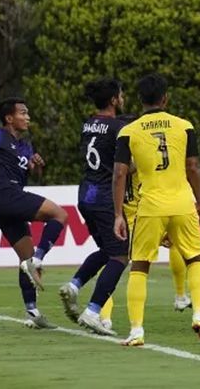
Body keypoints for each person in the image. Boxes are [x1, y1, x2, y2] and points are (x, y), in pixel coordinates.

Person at [112, 73, 200, 346]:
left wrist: (118, 214)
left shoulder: (128, 131)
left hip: (150, 206)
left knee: (140, 267)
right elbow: (193, 167)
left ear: (139, 100)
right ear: (165, 98)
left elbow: (120, 174)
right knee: (194, 260)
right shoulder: (184, 126)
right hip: (182, 203)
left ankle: (136, 331)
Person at [0, 97, 68, 328]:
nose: (28, 117)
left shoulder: (26, 145)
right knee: (60, 215)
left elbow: (28, 171)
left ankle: (33, 313)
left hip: (4, 204)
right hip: (6, 195)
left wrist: (35, 164)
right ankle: (38, 260)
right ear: (9, 118)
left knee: (24, 259)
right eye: (23, 113)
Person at [58, 79, 129, 336]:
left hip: (85, 195)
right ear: (113, 100)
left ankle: (75, 285)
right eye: (120, 94)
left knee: (106, 250)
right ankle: (93, 311)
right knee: (121, 255)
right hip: (104, 199)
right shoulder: (119, 128)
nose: (123, 98)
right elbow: (122, 167)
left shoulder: (88, 124)